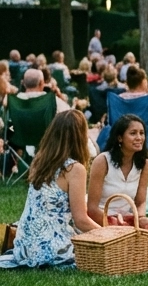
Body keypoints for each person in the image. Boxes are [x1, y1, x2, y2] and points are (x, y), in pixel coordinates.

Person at [10, 110, 102, 265]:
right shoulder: (74, 169)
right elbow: (81, 220)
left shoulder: (39, 161)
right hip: (51, 250)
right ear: (80, 137)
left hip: (23, 248)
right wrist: (108, 234)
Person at [87, 114, 148, 222]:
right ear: (119, 138)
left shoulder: (144, 164)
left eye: (142, 133)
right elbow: (92, 209)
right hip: (100, 220)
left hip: (126, 221)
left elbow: (141, 202)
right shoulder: (103, 161)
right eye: (133, 133)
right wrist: (113, 224)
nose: (139, 138)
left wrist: (141, 220)